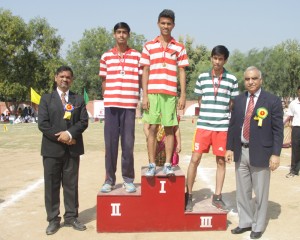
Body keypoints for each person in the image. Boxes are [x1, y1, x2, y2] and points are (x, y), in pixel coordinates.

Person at [225, 66, 283, 239]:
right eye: (247, 79)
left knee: (260, 192)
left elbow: (278, 130)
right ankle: (245, 222)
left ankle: (258, 225)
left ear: (261, 80)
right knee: (242, 191)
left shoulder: (272, 100)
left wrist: (275, 153)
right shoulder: (239, 100)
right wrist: (229, 147)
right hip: (240, 151)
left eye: (254, 78)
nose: (250, 82)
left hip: (262, 153)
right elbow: (233, 125)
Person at [185, 45, 239, 212]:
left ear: (225, 60)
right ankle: (188, 196)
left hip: (222, 127)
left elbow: (232, 104)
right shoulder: (202, 77)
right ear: (211, 58)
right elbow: (200, 101)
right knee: (195, 159)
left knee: (221, 161)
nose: (217, 61)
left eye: (220, 58)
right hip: (203, 126)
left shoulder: (232, 79)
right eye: (215, 58)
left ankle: (217, 196)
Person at [38, 66, 89, 235]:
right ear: (55, 78)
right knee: (51, 187)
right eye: (61, 76)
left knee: (71, 185)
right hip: (51, 150)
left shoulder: (78, 99)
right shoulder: (46, 99)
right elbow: (43, 124)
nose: (64, 79)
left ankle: (71, 217)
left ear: (72, 80)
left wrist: (69, 134)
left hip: (72, 150)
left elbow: (83, 122)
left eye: (68, 77)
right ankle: (53, 220)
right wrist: (62, 137)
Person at [140, 9, 189, 177]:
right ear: (158, 24)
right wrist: (144, 95)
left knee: (169, 129)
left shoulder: (179, 47)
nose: (166, 26)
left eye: (169, 23)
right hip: (153, 93)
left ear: (173, 25)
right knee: (152, 128)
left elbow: (182, 71)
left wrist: (182, 95)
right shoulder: (149, 45)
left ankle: (168, 164)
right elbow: (145, 71)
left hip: (170, 94)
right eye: (163, 23)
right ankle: (152, 164)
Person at [99, 22, 142, 193]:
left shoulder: (137, 56)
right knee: (110, 145)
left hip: (129, 106)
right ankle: (109, 180)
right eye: (118, 32)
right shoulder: (106, 57)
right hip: (111, 106)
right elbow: (104, 82)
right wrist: (109, 97)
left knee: (128, 144)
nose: (121, 35)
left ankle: (128, 179)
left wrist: (138, 98)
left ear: (129, 35)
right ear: (114, 34)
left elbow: (140, 81)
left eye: (124, 32)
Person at [285, 86, 300, 178]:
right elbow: (290, 117)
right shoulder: (293, 103)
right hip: (297, 129)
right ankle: (294, 170)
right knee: (295, 150)